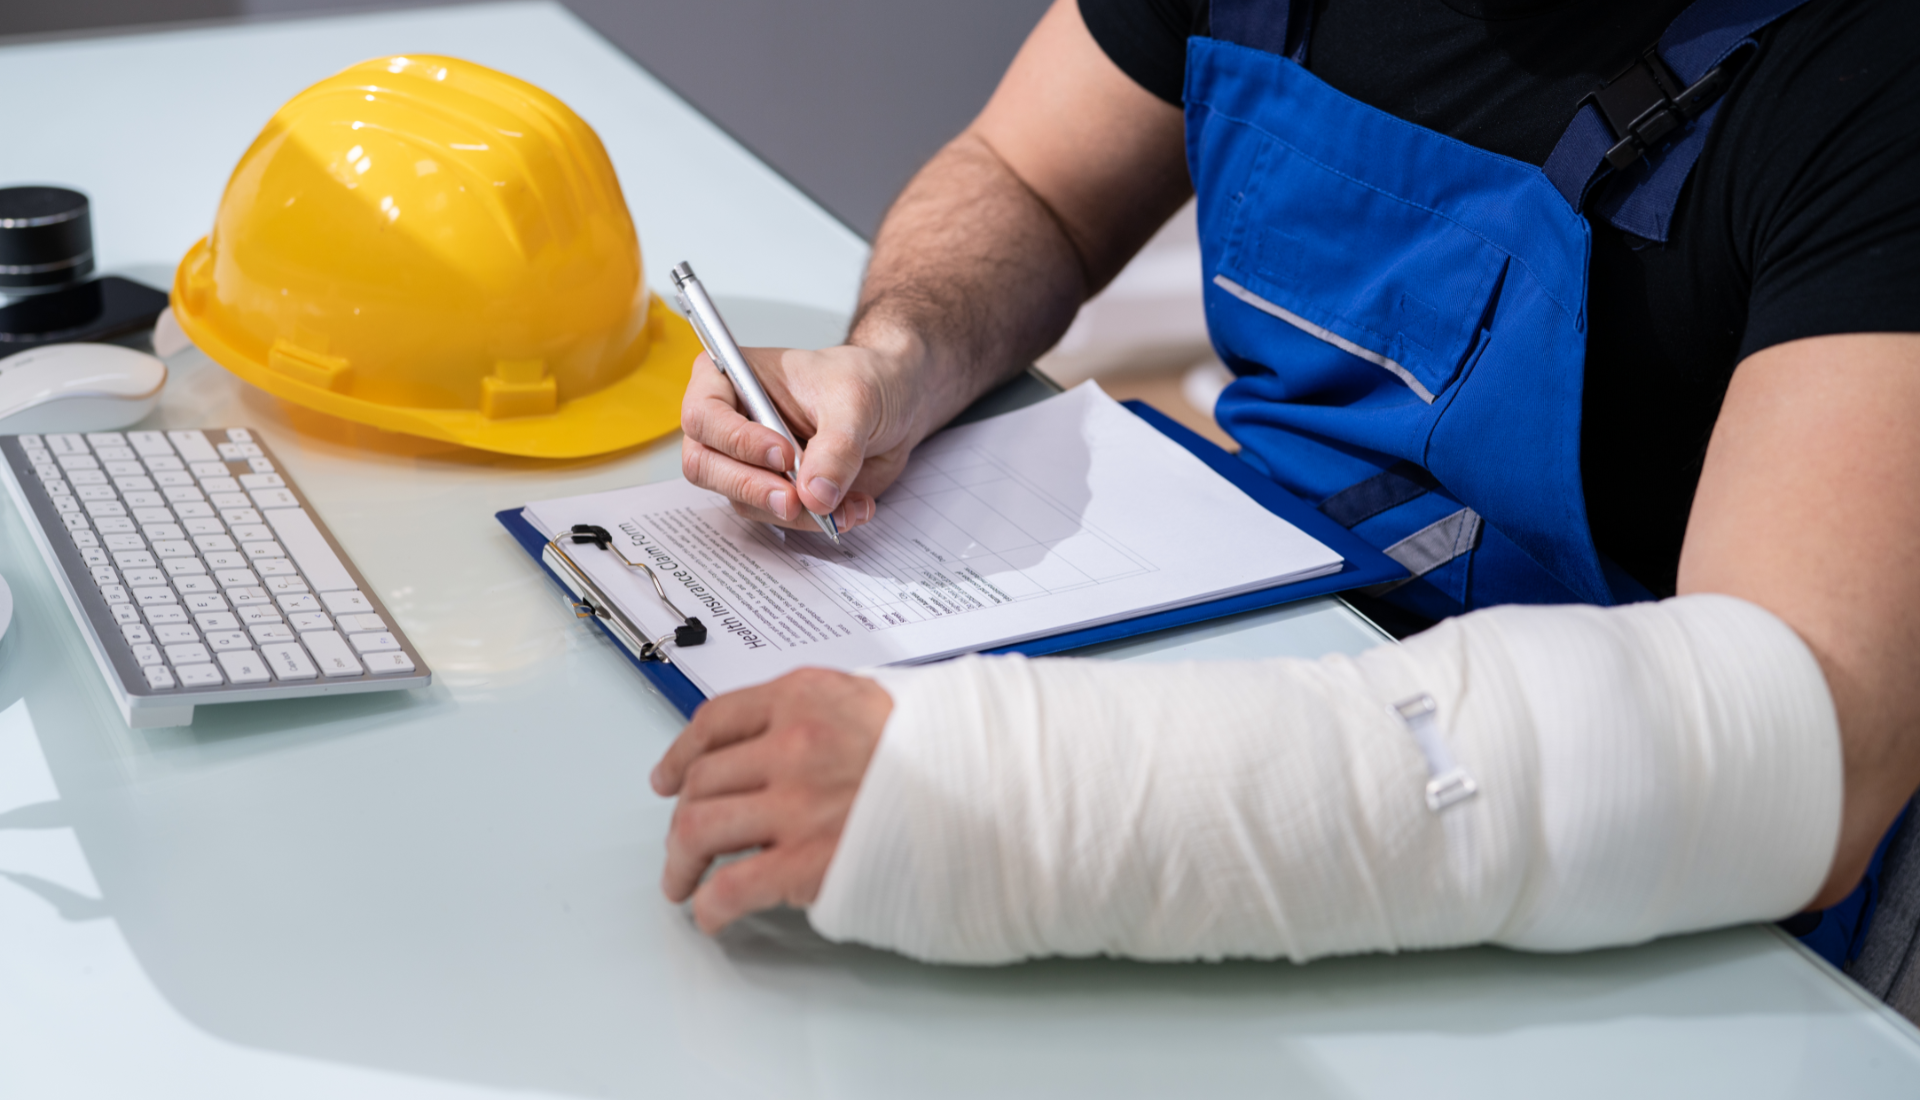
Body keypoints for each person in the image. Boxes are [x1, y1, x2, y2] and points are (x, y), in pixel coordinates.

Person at [650, 0, 1920, 973]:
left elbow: (1799, 738)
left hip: (1610, 837)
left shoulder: (1870, 70)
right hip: (1246, 642)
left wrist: (1005, 801)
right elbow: (1028, 179)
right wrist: (898, 354)